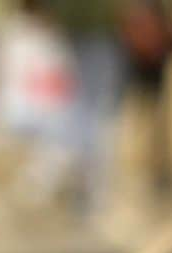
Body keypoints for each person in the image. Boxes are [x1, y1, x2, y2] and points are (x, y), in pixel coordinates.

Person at [0, 0, 79, 210]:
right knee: (60, 150)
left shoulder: (47, 34)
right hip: (24, 107)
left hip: (40, 106)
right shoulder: (13, 35)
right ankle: (32, 188)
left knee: (62, 150)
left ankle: (34, 188)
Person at [40, 0, 130, 216]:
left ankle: (72, 182)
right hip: (95, 33)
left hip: (84, 32)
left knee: (84, 112)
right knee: (95, 115)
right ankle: (82, 186)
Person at [121, 0, 172, 201]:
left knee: (156, 121)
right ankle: (151, 168)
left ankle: (157, 169)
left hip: (153, 62)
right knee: (149, 120)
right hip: (143, 62)